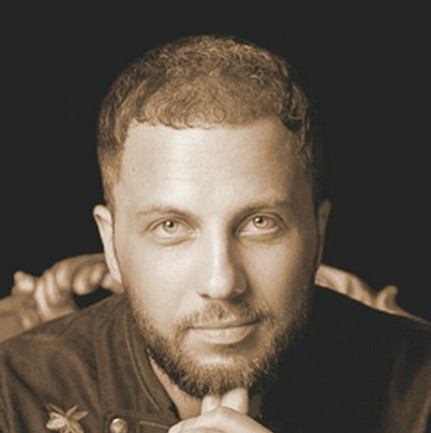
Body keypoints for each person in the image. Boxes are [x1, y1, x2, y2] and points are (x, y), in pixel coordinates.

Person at [0, 34, 430, 433]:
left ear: (318, 233)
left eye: (260, 223)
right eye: (171, 227)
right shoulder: (12, 395)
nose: (221, 283)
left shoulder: (421, 389)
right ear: (110, 245)